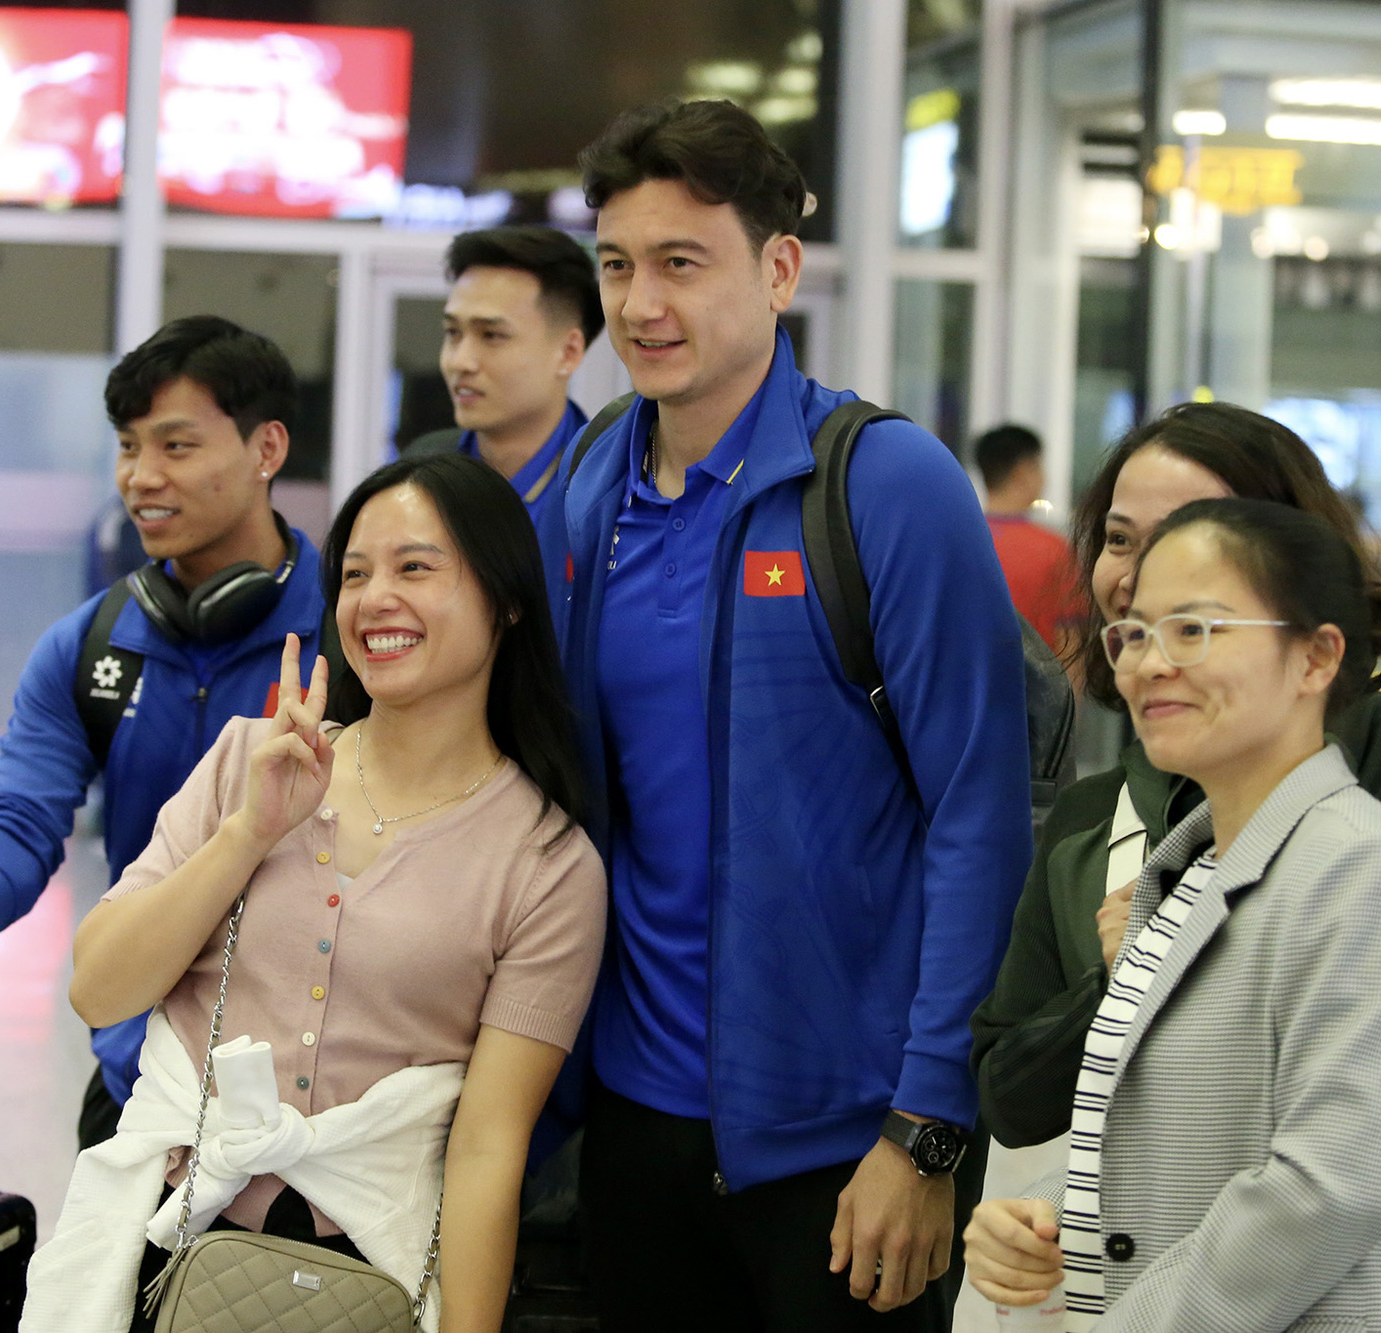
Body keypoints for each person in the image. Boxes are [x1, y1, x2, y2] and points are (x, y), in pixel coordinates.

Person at [556, 99, 1033, 1331]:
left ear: (777, 270)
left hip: (845, 1142)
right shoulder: (593, 482)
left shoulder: (882, 485)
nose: (639, 305)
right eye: (615, 265)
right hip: (633, 1120)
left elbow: (979, 815)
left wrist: (926, 1131)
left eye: (679, 263)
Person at [23, 452, 607, 1333]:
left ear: (508, 599)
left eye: (416, 567)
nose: (376, 599)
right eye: (356, 573)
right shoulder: (246, 762)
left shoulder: (547, 862)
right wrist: (249, 832)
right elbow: (98, 987)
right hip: (161, 1248)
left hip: (368, 1272)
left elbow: (488, 1149)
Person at [964, 497, 1381, 1332]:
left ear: (1316, 656)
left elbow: (1330, 1188)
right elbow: (1182, 1144)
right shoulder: (1195, 870)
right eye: (1134, 632)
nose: (1149, 663)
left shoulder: (1354, 865)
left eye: (1195, 629)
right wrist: (1059, 1225)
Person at [971, 402, 1381, 1159]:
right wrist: (1118, 984)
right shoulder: (1091, 813)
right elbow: (1011, 1096)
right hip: (1119, 1260)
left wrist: (1171, 967)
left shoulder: (1377, 759)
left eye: (1188, 535)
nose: (1140, 572)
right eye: (1120, 539)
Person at [0, 316, 333, 1150]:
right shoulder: (90, 647)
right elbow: (25, 812)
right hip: (139, 1077)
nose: (141, 478)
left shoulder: (351, 637)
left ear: (267, 448)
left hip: (315, 1096)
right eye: (128, 446)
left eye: (176, 446)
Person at [406, 224, 604, 537]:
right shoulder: (417, 474)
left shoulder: (609, 490)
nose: (460, 361)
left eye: (492, 335)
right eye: (453, 333)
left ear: (568, 352)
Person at [973, 423, 1081, 656]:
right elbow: (1070, 640)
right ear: (1023, 472)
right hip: (1033, 687)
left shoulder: (958, 542)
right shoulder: (1053, 549)